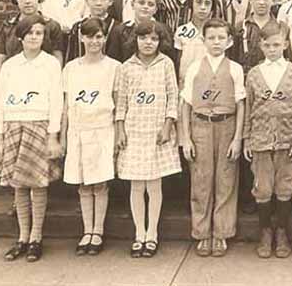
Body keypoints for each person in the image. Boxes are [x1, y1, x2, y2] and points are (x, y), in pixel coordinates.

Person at [0, 14, 63, 262]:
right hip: (13, 125)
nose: (35, 37)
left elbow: (57, 101)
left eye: (39, 33)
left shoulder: (51, 64)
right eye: (30, 33)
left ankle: (36, 238)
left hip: (39, 125)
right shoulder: (11, 65)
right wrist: (0, 137)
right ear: (20, 36)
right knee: (19, 186)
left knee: (38, 184)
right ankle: (22, 237)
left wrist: (53, 135)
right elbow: (0, 101)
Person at [180, 18, 246, 258]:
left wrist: (238, 138)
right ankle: (202, 232)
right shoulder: (195, 68)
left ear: (229, 41)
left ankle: (221, 233)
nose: (216, 42)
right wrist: (186, 138)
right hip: (200, 127)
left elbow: (241, 105)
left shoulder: (235, 69)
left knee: (226, 179)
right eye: (211, 37)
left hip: (227, 125)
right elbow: (185, 104)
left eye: (221, 38)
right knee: (201, 179)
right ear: (203, 40)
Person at [115, 20, 181, 259]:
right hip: (134, 130)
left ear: (159, 42)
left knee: (154, 184)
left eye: (153, 39)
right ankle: (139, 233)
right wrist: (120, 129)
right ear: (136, 40)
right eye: (143, 38)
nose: (148, 43)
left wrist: (168, 124)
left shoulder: (166, 64)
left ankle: (152, 233)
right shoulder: (127, 67)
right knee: (136, 184)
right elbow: (121, 101)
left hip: (156, 131)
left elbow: (173, 97)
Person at [243, 22, 292, 258]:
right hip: (260, 140)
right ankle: (265, 232)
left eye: (277, 45)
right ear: (261, 45)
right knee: (262, 187)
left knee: (285, 186)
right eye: (268, 45)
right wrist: (246, 139)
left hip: (287, 140)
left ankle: (281, 231)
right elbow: (249, 108)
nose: (272, 49)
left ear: (285, 44)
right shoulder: (254, 74)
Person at [61, 17, 120, 256]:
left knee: (99, 182)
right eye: (90, 36)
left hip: (103, 129)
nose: (94, 41)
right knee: (84, 183)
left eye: (99, 36)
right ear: (81, 38)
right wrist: (63, 136)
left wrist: (117, 136)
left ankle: (98, 231)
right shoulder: (71, 68)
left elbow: (118, 104)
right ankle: (87, 230)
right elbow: (66, 106)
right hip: (78, 129)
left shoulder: (114, 67)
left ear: (104, 38)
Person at [0, 0, 65, 86]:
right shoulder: (8, 26)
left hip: (42, 83)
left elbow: (57, 58)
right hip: (14, 83)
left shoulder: (51, 26)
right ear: (16, 0)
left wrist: (54, 84)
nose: (27, 1)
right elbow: (1, 59)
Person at [235, 0, 292, 75]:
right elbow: (233, 61)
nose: (261, 2)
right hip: (247, 80)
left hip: (274, 78)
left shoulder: (282, 27)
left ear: (273, 0)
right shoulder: (241, 27)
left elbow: (288, 60)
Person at [106, 0, 174, 63]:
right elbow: (114, 61)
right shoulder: (119, 31)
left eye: (150, 4)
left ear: (155, 9)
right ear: (132, 4)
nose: (145, 7)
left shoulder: (164, 30)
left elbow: (169, 59)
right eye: (141, 3)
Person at [65, 0, 121, 64]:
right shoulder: (78, 27)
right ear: (86, 1)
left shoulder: (118, 28)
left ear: (110, 1)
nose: (98, 3)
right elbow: (71, 56)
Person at [176, 0, 221, 86]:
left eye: (207, 4)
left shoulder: (217, 32)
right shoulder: (182, 31)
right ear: (191, 5)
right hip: (186, 83)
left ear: (212, 9)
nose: (203, 7)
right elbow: (177, 60)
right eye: (198, 3)